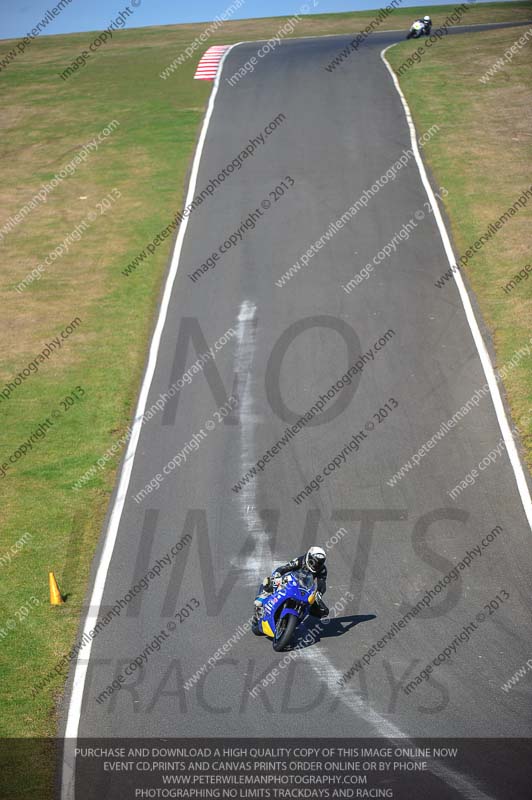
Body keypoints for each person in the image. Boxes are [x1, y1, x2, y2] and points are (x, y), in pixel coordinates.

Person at [255, 546, 329, 617]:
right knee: (268, 582)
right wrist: (277, 575)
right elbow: (286, 567)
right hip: (291, 581)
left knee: (323, 612)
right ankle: (262, 598)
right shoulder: (300, 560)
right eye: (314, 561)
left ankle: (301, 614)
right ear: (308, 557)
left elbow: (322, 583)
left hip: (306, 587)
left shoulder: (322, 570)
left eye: (319, 563)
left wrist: (319, 593)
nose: (316, 565)